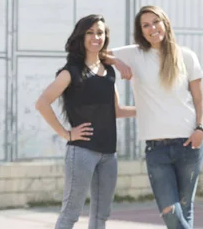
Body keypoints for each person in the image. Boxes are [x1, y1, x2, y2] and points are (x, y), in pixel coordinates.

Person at [107, 5, 203, 229]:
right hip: (157, 149)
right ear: (140, 31)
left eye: (156, 22)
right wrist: (118, 62)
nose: (152, 28)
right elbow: (95, 54)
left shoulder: (187, 56)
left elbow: (199, 99)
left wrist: (200, 128)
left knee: (185, 209)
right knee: (170, 211)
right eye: (146, 25)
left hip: (189, 143)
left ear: (165, 23)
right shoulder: (134, 54)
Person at [35, 14, 136, 229]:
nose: (95, 37)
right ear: (81, 37)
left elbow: (116, 110)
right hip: (82, 152)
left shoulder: (109, 71)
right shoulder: (71, 72)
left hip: (109, 154)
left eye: (99, 32)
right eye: (89, 32)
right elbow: (42, 103)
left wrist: (147, 110)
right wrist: (66, 133)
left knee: (101, 216)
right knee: (70, 214)